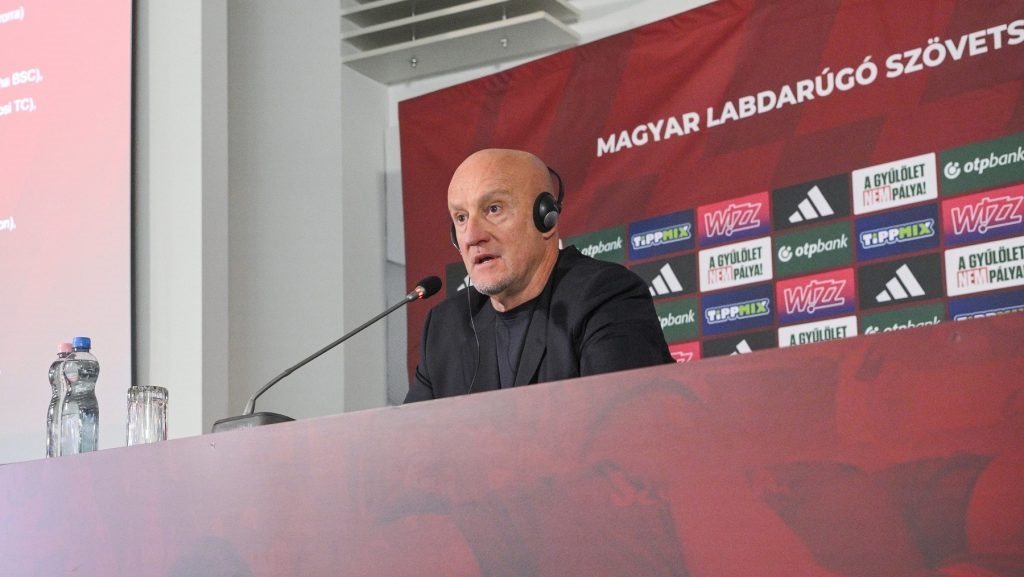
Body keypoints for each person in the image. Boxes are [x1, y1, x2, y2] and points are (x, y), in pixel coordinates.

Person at [405, 148, 673, 403]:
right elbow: (412, 432)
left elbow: (620, 422)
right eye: (461, 218)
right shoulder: (446, 326)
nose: (472, 236)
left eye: (494, 209)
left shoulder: (605, 297)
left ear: (545, 217)